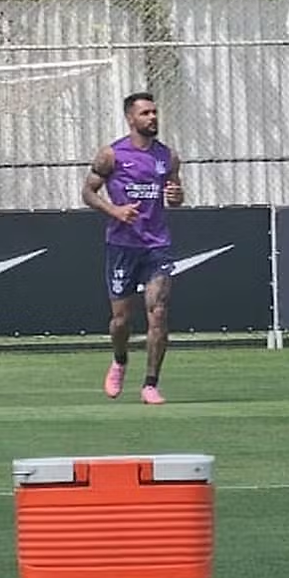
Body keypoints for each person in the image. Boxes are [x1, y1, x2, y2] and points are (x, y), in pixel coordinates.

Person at [82, 92, 184, 405]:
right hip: (122, 245)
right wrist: (115, 211)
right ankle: (120, 359)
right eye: (145, 113)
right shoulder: (111, 154)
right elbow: (88, 192)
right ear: (130, 118)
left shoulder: (167, 156)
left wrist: (177, 196)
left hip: (156, 245)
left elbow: (176, 196)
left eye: (154, 112)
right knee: (121, 321)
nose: (152, 117)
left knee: (158, 312)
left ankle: (150, 384)